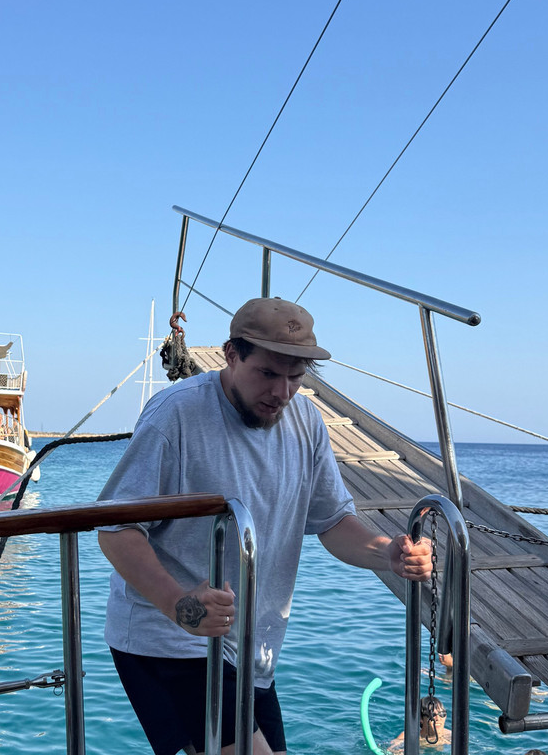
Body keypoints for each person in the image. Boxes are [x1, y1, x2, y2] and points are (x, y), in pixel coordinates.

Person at [97, 297, 433, 755]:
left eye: (296, 377)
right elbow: (116, 530)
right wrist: (178, 603)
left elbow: (333, 521)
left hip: (251, 650)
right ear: (231, 355)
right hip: (168, 638)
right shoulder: (174, 415)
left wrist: (386, 553)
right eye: (268, 374)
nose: (282, 392)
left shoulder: (307, 422)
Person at [386, 696, 451, 753]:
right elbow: (389, 750)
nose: (438, 719)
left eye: (442, 714)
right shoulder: (409, 736)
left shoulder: (450, 736)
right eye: (432, 715)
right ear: (421, 719)